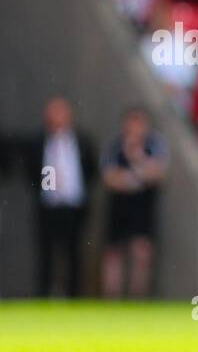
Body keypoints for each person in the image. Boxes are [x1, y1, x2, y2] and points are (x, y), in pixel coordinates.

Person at [7, 98, 97, 297]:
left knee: (74, 254)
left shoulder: (82, 141)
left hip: (74, 207)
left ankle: (75, 297)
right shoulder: (40, 142)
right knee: (46, 254)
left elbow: (91, 170)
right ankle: (44, 296)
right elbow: (30, 171)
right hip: (48, 206)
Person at [101, 107, 168, 298]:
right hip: (119, 204)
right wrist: (138, 177)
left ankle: (137, 298)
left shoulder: (154, 145)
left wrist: (136, 158)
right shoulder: (114, 145)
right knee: (114, 253)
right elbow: (109, 178)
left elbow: (158, 174)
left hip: (144, 205)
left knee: (142, 252)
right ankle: (112, 298)